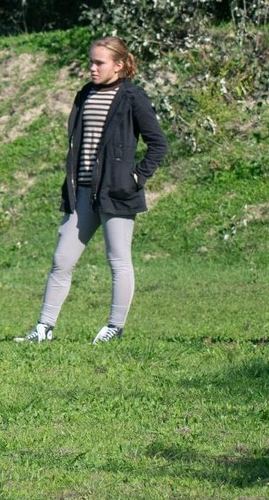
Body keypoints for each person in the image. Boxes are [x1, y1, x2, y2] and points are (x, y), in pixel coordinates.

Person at [17, 35, 168, 344]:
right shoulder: (85, 93)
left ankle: (114, 327)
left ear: (120, 65)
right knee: (62, 259)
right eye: (91, 61)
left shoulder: (132, 97)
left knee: (118, 260)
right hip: (82, 192)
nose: (92, 68)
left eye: (99, 62)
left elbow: (158, 144)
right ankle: (44, 328)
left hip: (117, 192)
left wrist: (137, 178)